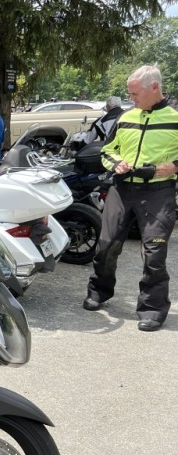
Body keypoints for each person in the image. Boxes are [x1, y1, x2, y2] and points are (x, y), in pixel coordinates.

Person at [83, 65, 178, 332]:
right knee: (106, 245)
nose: (131, 98)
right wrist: (116, 164)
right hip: (122, 189)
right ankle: (99, 291)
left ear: (155, 88)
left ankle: (152, 308)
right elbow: (107, 150)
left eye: (135, 93)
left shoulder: (174, 117)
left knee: (154, 253)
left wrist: (174, 166)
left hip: (158, 192)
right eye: (129, 93)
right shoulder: (125, 117)